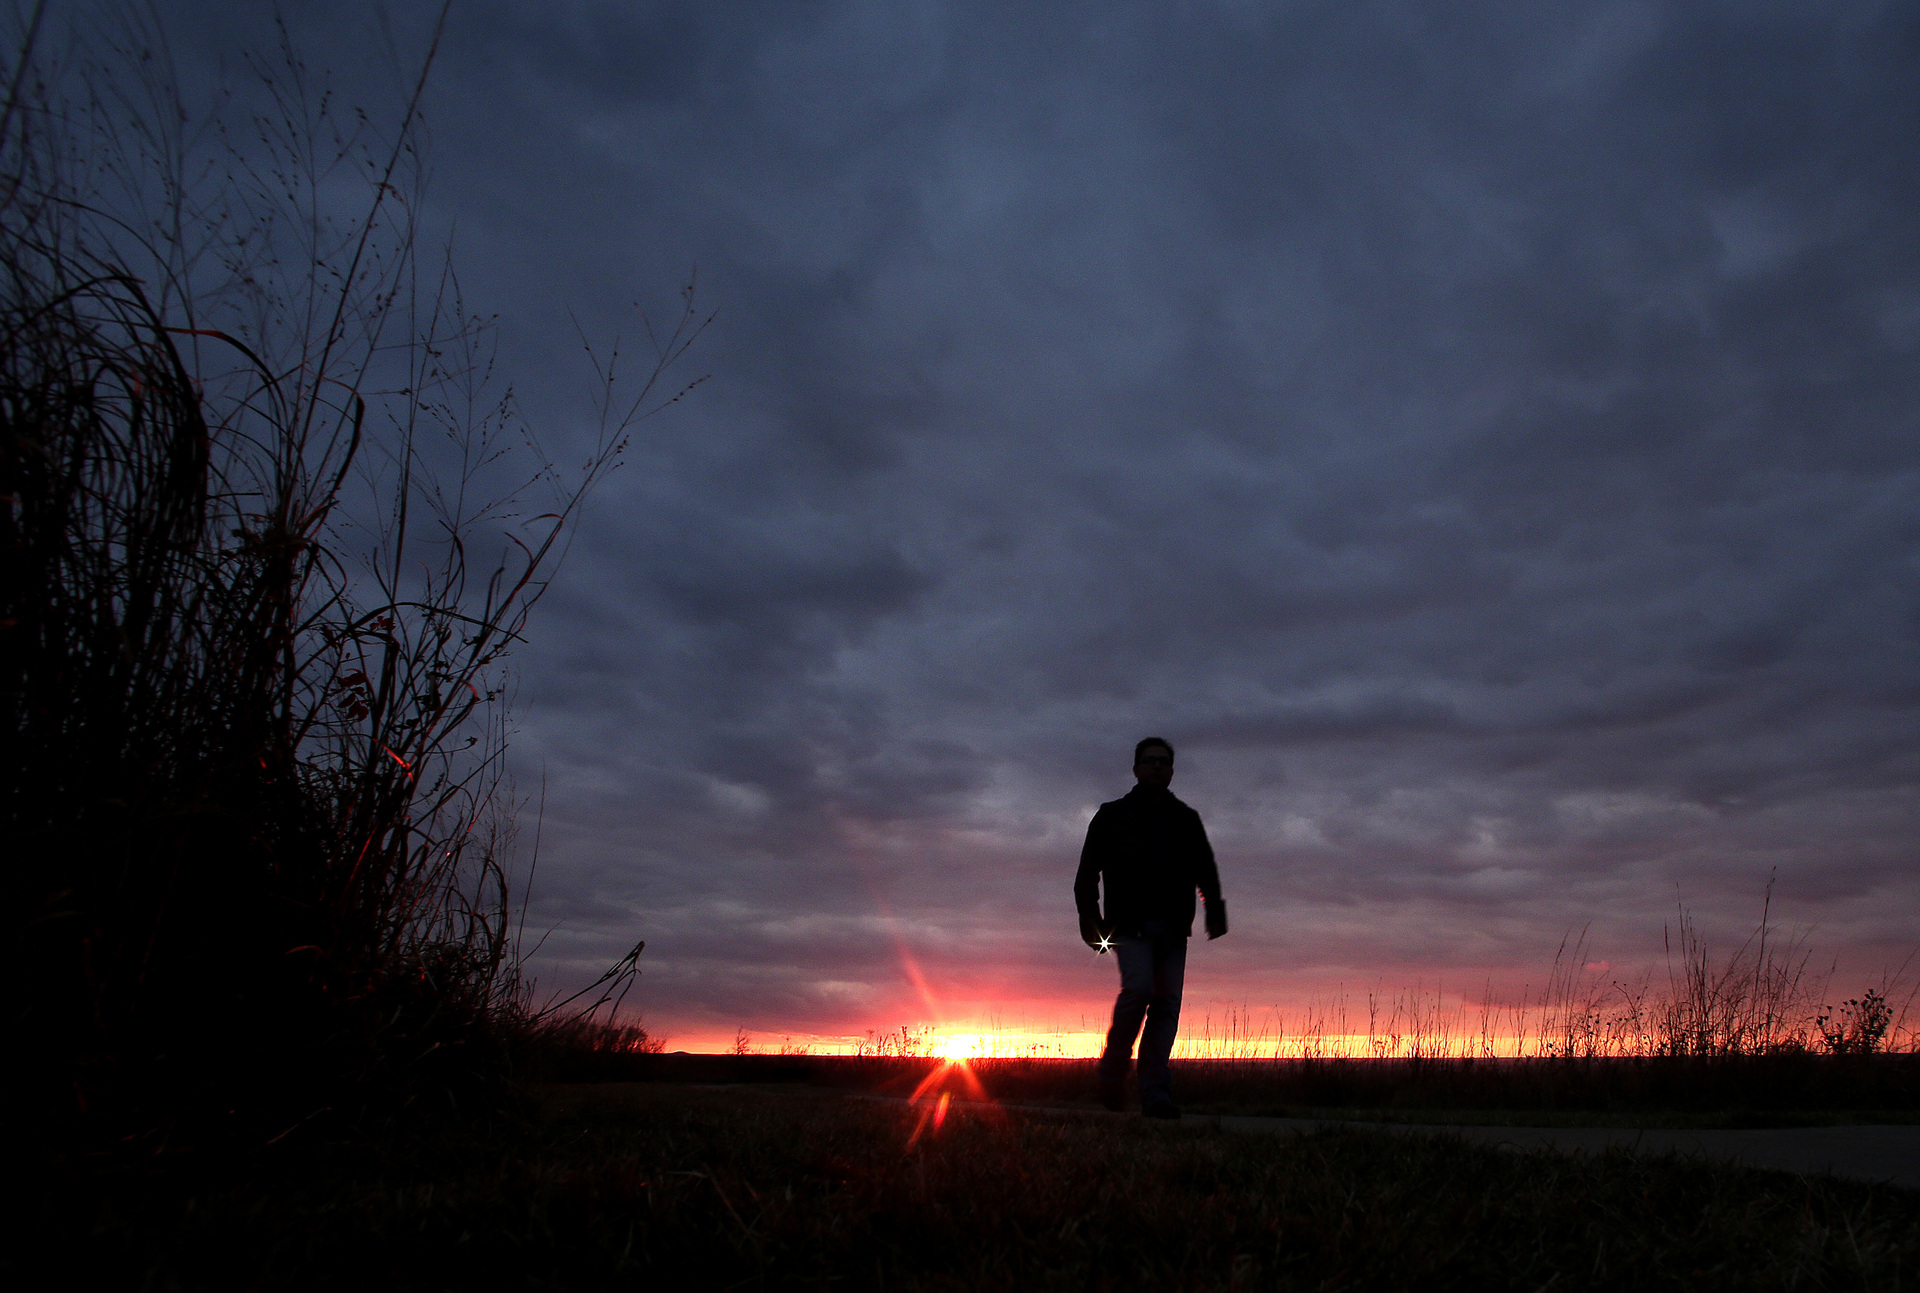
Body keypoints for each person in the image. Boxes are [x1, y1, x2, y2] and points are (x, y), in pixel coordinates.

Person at [1073, 736, 1226, 1119]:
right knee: (1139, 989)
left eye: (1163, 762)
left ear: (1171, 771)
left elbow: (1204, 867)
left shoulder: (1185, 819)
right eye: (1150, 760)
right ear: (1137, 768)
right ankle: (1113, 1067)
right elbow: (1087, 872)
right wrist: (1090, 920)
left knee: (1165, 1008)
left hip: (1174, 929)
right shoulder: (1111, 815)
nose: (1157, 766)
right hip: (1129, 926)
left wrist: (1215, 911)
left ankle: (1156, 1095)